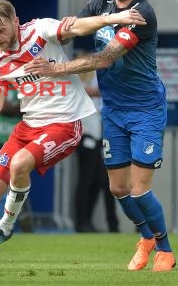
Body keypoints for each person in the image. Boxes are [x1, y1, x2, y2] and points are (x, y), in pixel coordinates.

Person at [0, 0, 142, 249]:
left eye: (1, 30)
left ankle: (5, 227)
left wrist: (116, 18)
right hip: (28, 126)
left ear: (16, 22)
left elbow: (77, 27)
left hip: (64, 123)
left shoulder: (39, 30)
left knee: (20, 163)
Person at [25, 0, 176, 272]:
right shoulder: (102, 3)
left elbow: (106, 58)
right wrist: (54, 31)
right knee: (118, 188)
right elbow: (74, 30)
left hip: (145, 109)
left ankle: (164, 248)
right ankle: (146, 238)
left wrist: (56, 69)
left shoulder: (142, 14)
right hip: (114, 110)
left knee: (139, 190)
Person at [73, 61, 119, 233]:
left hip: (100, 135)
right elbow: (82, 91)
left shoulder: (105, 77)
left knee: (101, 180)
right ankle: (81, 222)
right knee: (86, 180)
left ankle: (90, 222)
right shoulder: (82, 79)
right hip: (86, 136)